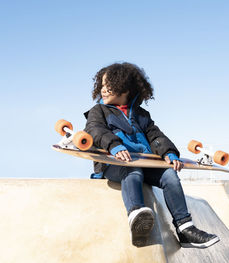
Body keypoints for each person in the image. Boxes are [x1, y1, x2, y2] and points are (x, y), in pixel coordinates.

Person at [84, 62, 219, 248]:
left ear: (125, 89)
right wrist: (114, 146)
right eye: (102, 85)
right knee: (133, 171)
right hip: (114, 165)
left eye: (109, 86)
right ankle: (136, 216)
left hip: (143, 162)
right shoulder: (98, 111)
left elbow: (156, 136)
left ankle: (185, 228)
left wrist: (169, 153)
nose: (103, 90)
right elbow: (94, 130)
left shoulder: (142, 115)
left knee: (170, 176)